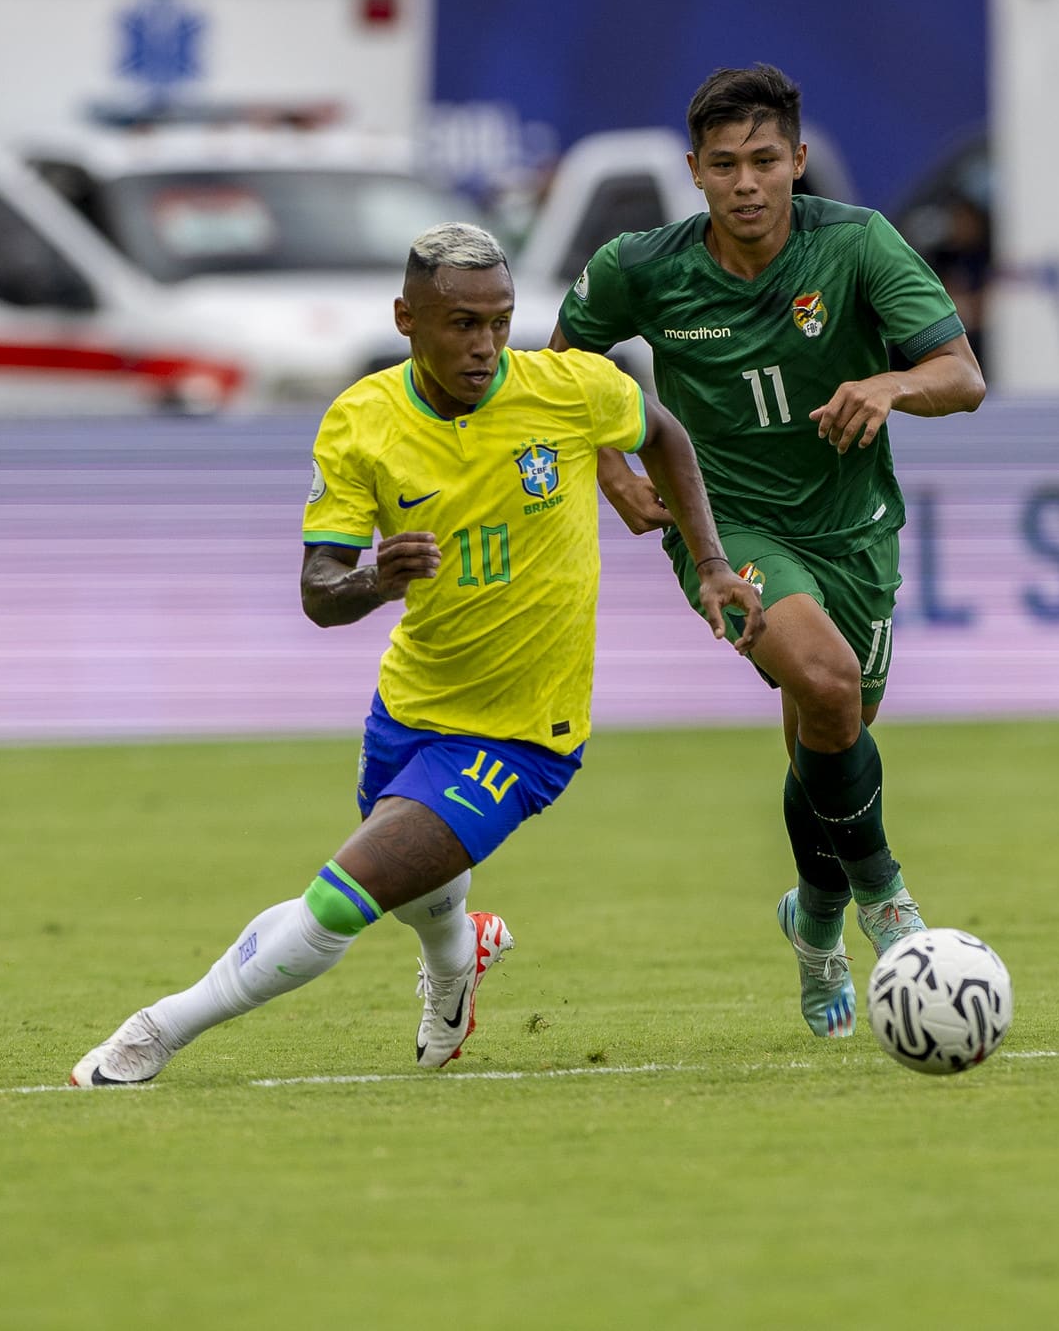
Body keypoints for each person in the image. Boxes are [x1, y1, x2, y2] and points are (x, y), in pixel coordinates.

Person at [71, 223, 762, 1085]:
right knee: (417, 889)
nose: (484, 345)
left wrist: (710, 565)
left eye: (500, 322)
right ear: (407, 317)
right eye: (461, 324)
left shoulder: (573, 388)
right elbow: (318, 592)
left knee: (341, 897)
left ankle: (154, 1032)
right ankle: (455, 959)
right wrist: (374, 581)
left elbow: (665, 434)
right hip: (407, 707)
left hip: (523, 734)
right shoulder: (362, 422)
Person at [549, 64, 987, 1039]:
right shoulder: (640, 266)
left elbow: (960, 376)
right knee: (825, 686)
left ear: (795, 160)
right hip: (724, 529)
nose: (744, 182)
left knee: (824, 735)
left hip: (854, 532)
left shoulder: (857, 244)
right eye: (722, 165)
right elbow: (556, 372)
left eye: (761, 160)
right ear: (693, 173)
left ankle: (813, 919)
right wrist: (605, 463)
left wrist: (888, 386)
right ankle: (883, 900)